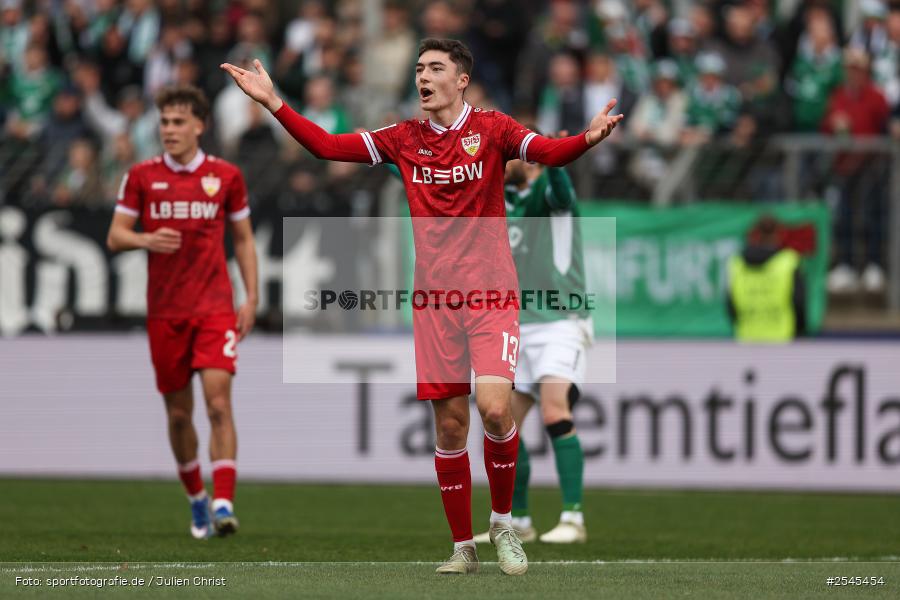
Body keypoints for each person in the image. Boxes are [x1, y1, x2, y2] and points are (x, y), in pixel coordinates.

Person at [221, 37, 621, 575]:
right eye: (418, 68)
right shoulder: (402, 139)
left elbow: (548, 153)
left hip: (492, 295)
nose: (423, 77)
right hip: (435, 304)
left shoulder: (493, 128)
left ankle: (504, 522)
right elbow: (326, 146)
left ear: (461, 80)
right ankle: (463, 547)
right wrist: (274, 102)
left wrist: (587, 138)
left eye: (435, 68)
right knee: (450, 428)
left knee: (496, 408)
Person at [106, 84, 258, 539]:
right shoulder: (141, 176)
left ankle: (224, 502)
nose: (169, 129)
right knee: (177, 415)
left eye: (177, 122)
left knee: (217, 403)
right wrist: (145, 240)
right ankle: (196, 498)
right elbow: (116, 236)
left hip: (214, 307)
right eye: (164, 122)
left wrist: (250, 297)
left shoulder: (226, 176)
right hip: (166, 312)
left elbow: (245, 239)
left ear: (199, 125)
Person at [471, 152, 591, 546]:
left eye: (511, 156)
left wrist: (555, 158)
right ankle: (518, 519)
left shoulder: (548, 191)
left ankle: (573, 517)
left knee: (556, 409)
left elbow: (563, 190)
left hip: (560, 321)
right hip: (516, 322)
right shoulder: (503, 198)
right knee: (503, 421)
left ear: (532, 160)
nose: (501, 161)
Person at [727, 215, 806, 343]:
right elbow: (798, 301)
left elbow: (730, 304)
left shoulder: (737, 263)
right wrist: (800, 332)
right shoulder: (788, 261)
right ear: (778, 233)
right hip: (782, 338)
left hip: (746, 338)